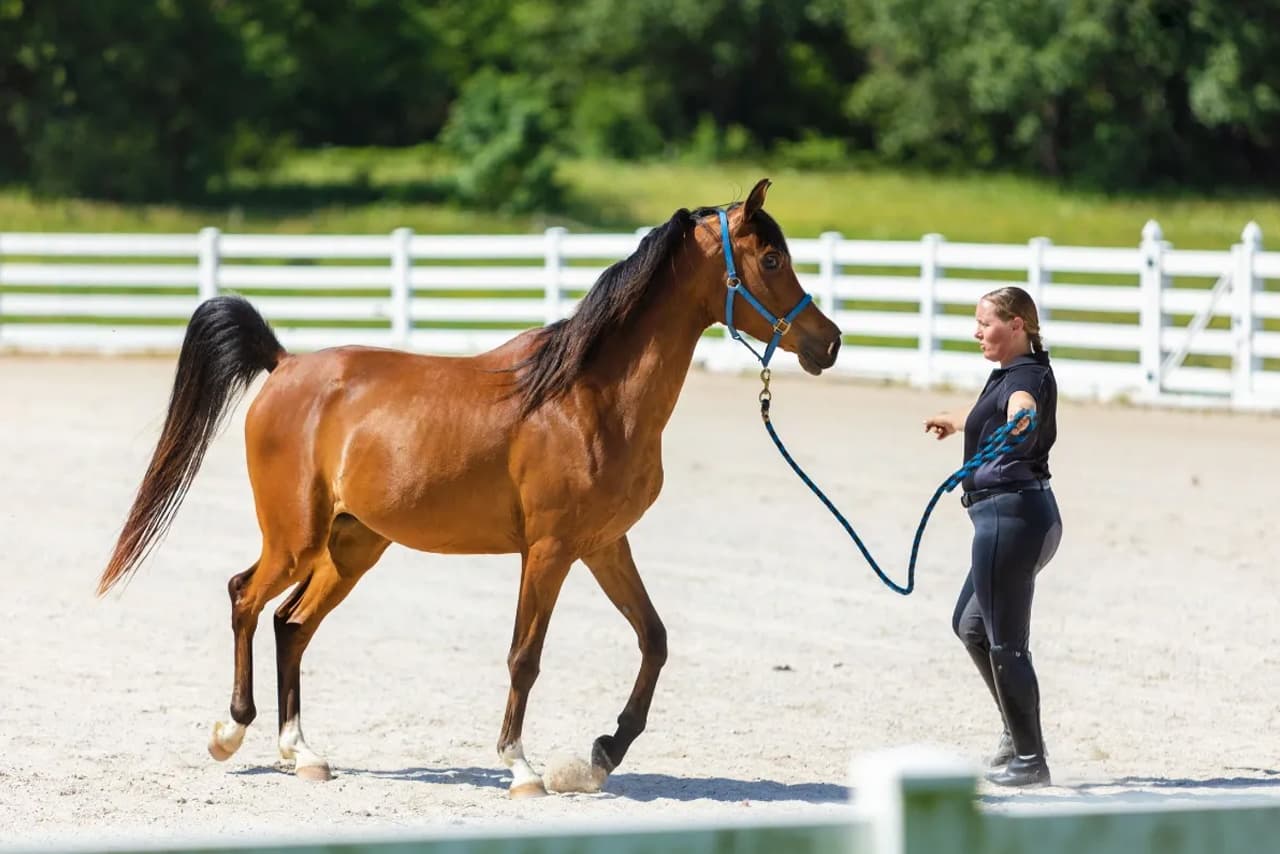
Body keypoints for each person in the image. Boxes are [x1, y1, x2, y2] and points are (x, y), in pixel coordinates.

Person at [924, 286, 1063, 787]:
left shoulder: (1025, 378)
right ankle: (1016, 731)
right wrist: (955, 420)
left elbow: (1020, 410)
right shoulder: (1010, 373)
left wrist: (1022, 422)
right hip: (1011, 518)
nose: (977, 331)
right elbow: (995, 408)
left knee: (1006, 642)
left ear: (1018, 325)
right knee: (971, 627)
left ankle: (1030, 759)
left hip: (1012, 519)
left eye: (986, 323)